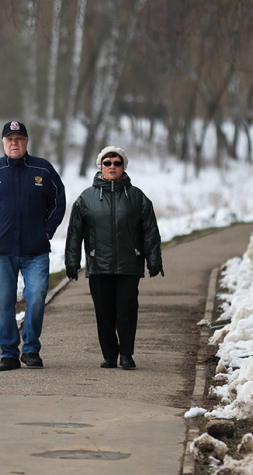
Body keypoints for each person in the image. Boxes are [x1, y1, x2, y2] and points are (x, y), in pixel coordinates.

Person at [0, 120, 66, 371]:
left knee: (36, 297)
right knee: (3, 303)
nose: (15, 143)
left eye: (19, 139)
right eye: (10, 139)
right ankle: (9, 353)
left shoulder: (42, 169)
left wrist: (47, 230)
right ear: (3, 142)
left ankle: (31, 349)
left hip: (36, 251)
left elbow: (58, 202)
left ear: (26, 142)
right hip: (2, 252)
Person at [64, 146, 163, 370]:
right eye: (107, 163)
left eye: (117, 163)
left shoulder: (137, 197)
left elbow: (150, 231)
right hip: (99, 265)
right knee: (104, 312)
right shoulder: (86, 198)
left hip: (129, 265)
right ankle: (109, 355)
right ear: (100, 166)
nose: (112, 167)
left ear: (123, 167)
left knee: (127, 310)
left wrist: (154, 260)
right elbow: (75, 233)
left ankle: (126, 354)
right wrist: (72, 261)